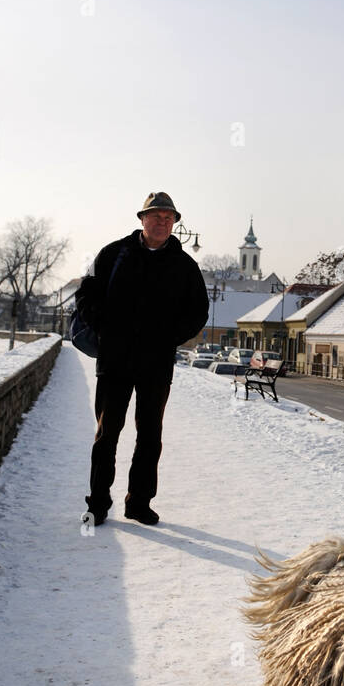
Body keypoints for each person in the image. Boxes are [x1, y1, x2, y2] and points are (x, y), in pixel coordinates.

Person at [76, 192, 209, 526]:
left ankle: (139, 503)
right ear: (142, 219)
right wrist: (105, 328)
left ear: (175, 223)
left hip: (156, 364)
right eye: (156, 216)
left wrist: (168, 337)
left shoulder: (185, 266)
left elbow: (198, 312)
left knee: (150, 436)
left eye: (168, 218)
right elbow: (85, 295)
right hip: (114, 361)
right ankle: (98, 504)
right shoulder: (113, 254)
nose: (162, 223)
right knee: (107, 434)